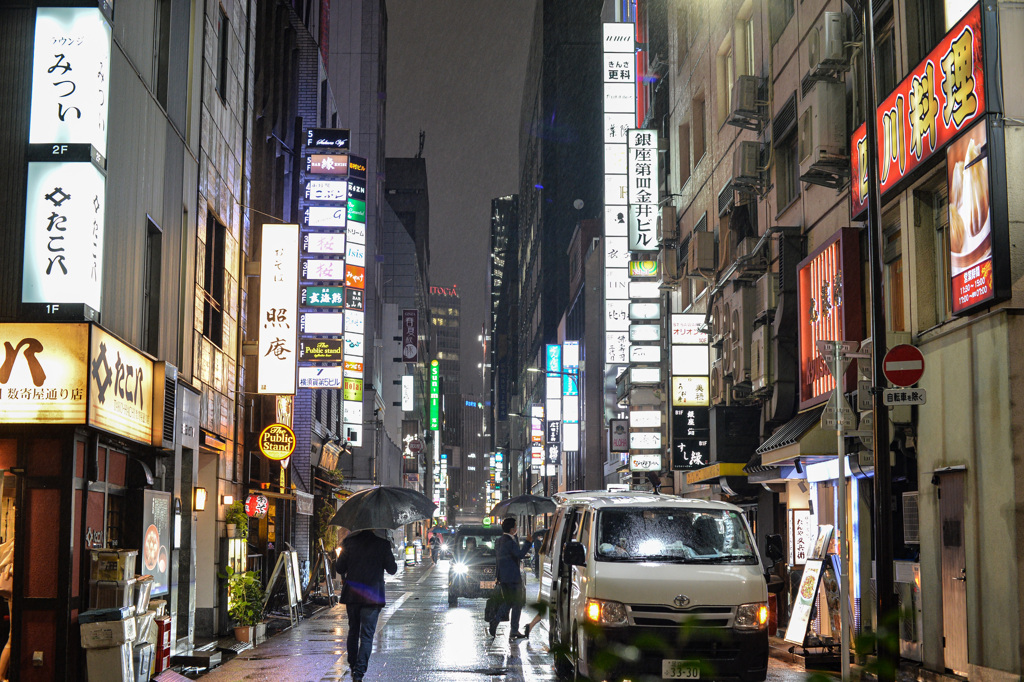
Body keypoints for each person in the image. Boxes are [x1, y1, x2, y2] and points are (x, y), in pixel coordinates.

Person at [335, 529, 399, 682]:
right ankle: (359, 672)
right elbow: (392, 569)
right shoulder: (382, 544)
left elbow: (339, 568)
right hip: (372, 596)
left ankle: (353, 664)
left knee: (353, 631)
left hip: (353, 595)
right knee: (367, 635)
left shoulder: (349, 543)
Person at [489, 517, 530, 639]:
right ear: (512, 529)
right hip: (513, 578)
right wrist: (528, 542)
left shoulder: (500, 540)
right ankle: (513, 629)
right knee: (516, 603)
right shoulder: (510, 542)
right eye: (516, 526)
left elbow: (501, 558)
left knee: (509, 602)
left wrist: (497, 576)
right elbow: (520, 555)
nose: (517, 528)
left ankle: (496, 620)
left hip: (504, 577)